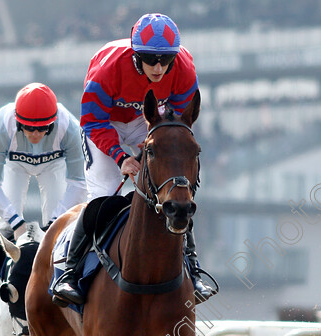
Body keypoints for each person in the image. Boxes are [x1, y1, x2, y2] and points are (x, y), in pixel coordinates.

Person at [51, 13, 215, 307]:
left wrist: (151, 150)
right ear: (136, 55)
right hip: (106, 123)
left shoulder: (185, 71)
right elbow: (92, 121)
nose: (159, 67)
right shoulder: (108, 69)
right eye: (150, 59)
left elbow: (177, 124)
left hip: (147, 122)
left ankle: (193, 267)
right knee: (103, 197)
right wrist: (120, 156)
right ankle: (69, 273)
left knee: (175, 194)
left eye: (166, 60)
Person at [0, 82, 86, 321]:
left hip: (54, 165)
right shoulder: (0, 127)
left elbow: (79, 183)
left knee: (62, 229)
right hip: (15, 165)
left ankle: (69, 280)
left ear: (53, 121)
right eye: (28, 128)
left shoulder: (70, 127)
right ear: (16, 120)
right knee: (5, 225)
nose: (35, 135)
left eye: (43, 129)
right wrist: (16, 223)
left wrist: (54, 222)